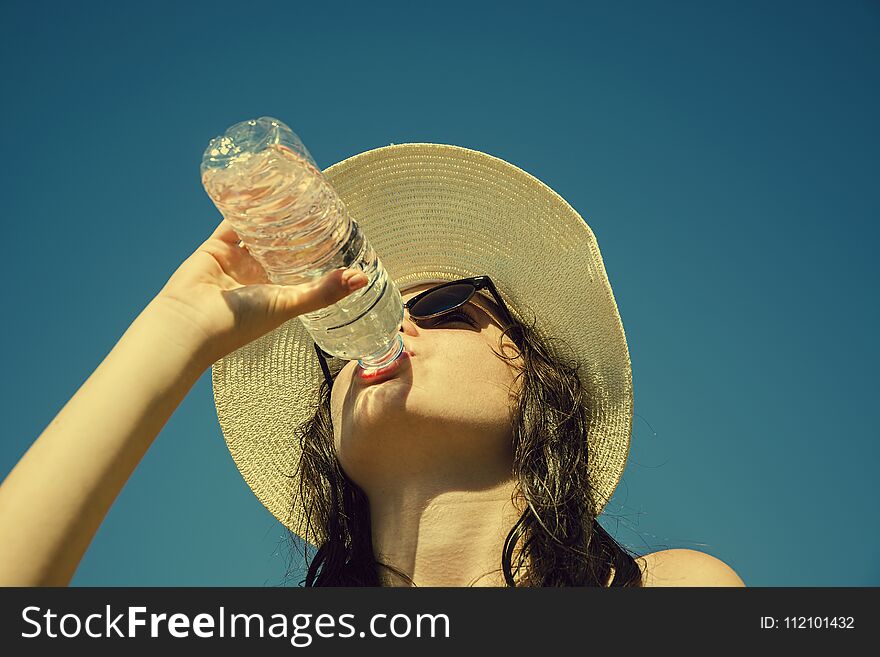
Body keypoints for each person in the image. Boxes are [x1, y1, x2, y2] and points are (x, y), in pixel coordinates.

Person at [0, 143, 745, 587]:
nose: (381, 333)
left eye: (446, 304)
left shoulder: (667, 588)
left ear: (532, 375)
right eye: (337, 342)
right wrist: (175, 331)